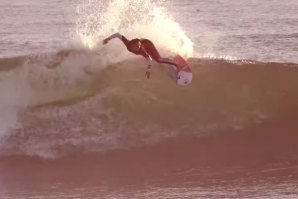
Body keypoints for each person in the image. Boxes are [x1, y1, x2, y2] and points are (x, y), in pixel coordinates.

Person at [102, 33, 192, 85]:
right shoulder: (128, 44)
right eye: (136, 46)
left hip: (148, 43)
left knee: (159, 60)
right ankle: (170, 66)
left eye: (138, 46)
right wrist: (108, 39)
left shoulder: (142, 50)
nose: (137, 48)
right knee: (158, 61)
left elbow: (149, 59)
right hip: (142, 41)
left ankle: (176, 64)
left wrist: (148, 69)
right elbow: (118, 35)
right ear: (132, 45)